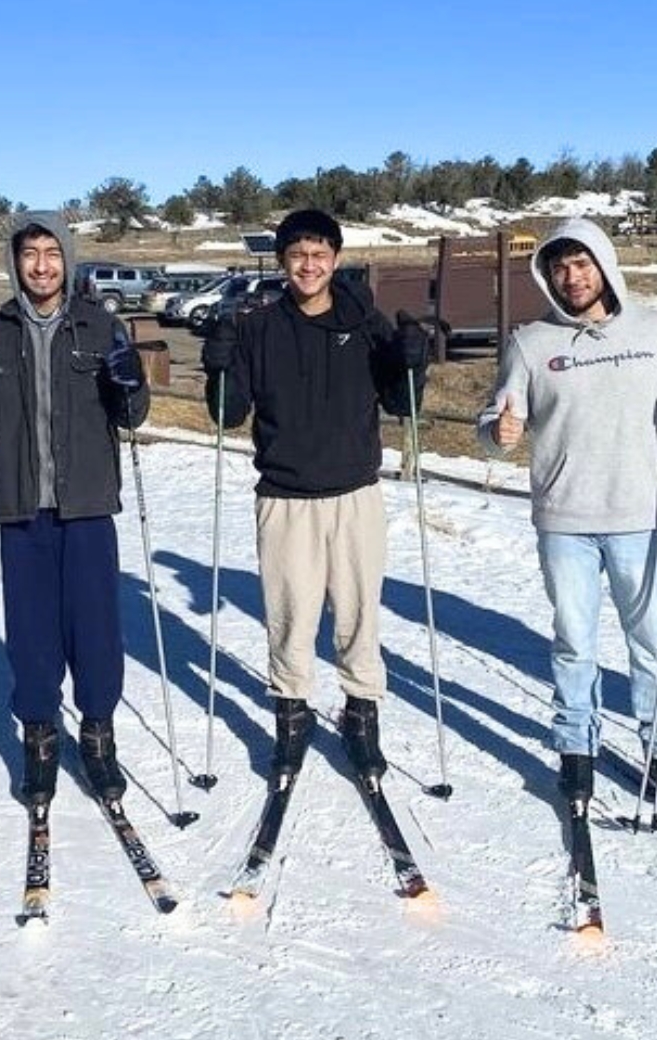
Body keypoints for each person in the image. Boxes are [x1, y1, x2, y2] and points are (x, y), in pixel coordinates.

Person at [477, 216, 657, 818]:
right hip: (565, 517)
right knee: (574, 643)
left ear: (603, 263)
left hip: (640, 515)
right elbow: (496, 422)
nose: (571, 277)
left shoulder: (656, 329)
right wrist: (499, 431)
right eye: (559, 268)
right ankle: (575, 748)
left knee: (653, 641)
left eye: (580, 263)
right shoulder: (532, 342)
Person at [200, 208, 430, 789]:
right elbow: (229, 414)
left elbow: (402, 405)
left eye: (320, 254)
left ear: (335, 259)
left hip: (355, 494)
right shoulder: (259, 327)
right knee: (290, 616)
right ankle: (292, 719)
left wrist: (412, 361)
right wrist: (218, 367)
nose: (309, 264)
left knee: (357, 615)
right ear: (283, 261)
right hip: (285, 497)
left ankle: (360, 716)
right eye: (298, 254)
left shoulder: (366, 321)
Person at [0, 213, 150, 809]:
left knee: (95, 629)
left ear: (69, 258)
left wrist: (131, 380)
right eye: (30, 253)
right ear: (14, 262)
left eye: (52, 252)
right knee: (31, 632)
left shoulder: (100, 325)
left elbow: (131, 416)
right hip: (21, 505)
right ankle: (39, 738)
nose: (41, 265)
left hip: (86, 503)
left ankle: (97, 736)